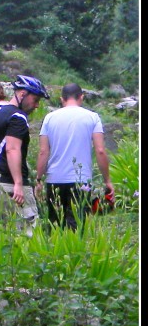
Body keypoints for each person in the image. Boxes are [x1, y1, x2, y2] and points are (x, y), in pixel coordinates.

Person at [0, 74, 49, 240]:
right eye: (35, 100)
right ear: (22, 94)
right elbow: (12, 149)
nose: (36, 105)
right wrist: (19, 184)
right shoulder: (17, 117)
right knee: (27, 234)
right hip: (8, 184)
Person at [35, 82, 114, 230]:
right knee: (76, 227)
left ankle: (54, 252)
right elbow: (100, 150)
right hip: (81, 181)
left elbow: (43, 152)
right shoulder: (92, 117)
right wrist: (107, 180)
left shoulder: (49, 118)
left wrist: (38, 179)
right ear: (81, 97)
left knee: (55, 225)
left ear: (61, 99)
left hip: (54, 179)